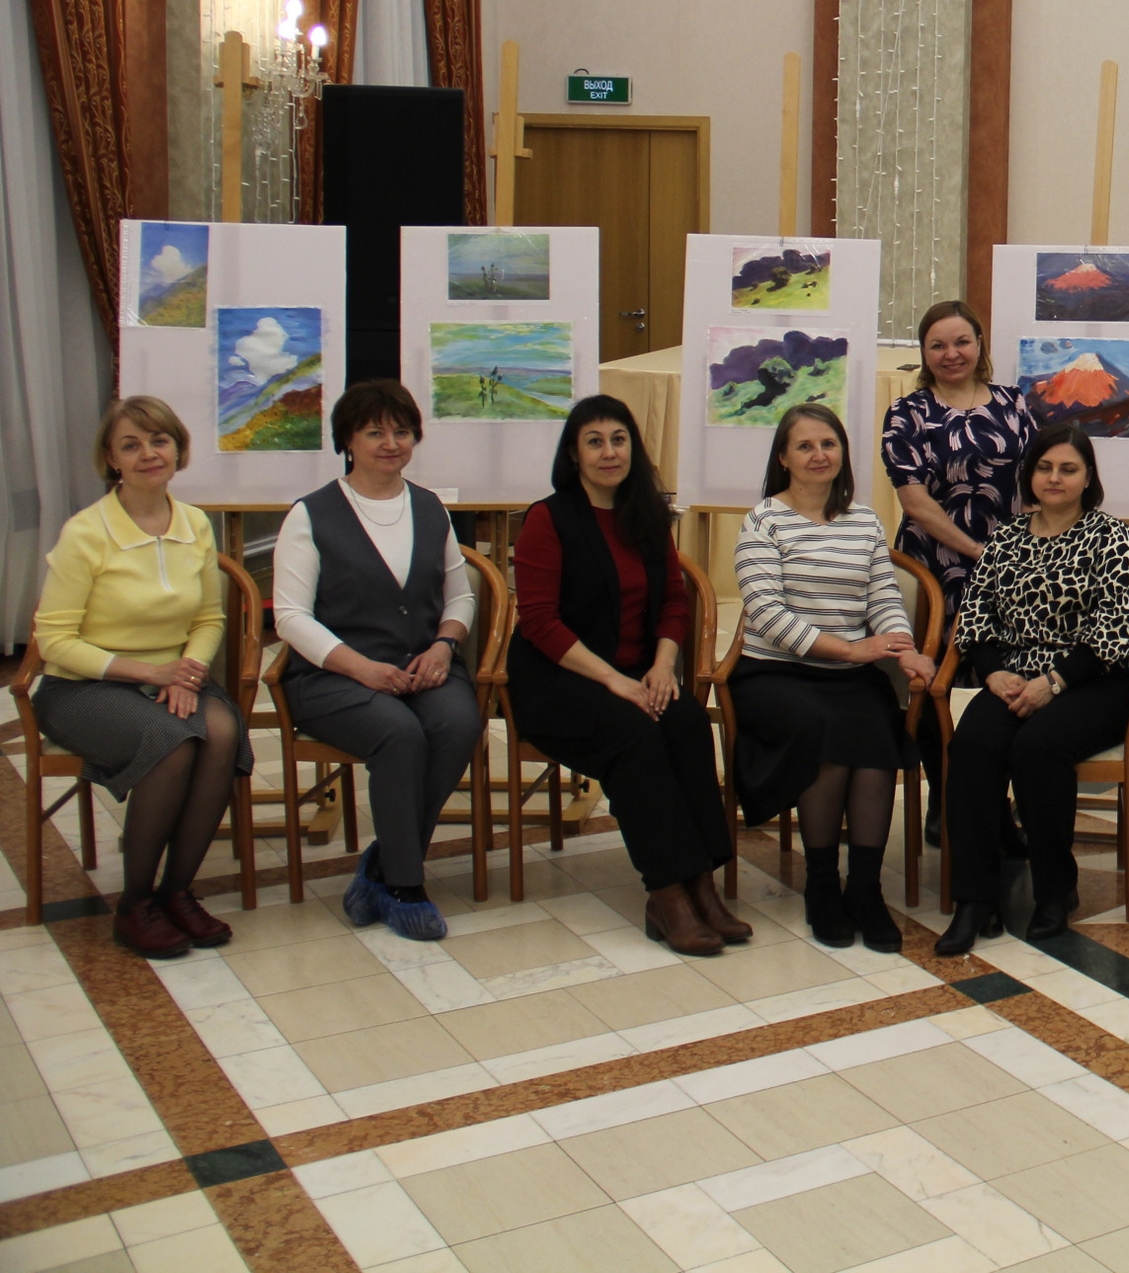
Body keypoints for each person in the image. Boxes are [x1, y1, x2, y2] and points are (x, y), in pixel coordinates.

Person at [509, 395, 745, 956]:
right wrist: (614, 681)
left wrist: (663, 666)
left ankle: (702, 884)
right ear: (574, 454)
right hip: (559, 682)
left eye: (618, 440)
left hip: (637, 674)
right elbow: (539, 621)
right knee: (635, 734)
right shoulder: (548, 518)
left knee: (686, 723)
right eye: (594, 442)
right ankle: (667, 895)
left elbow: (673, 602)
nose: (609, 452)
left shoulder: (647, 515)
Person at [31, 398, 251, 958]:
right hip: (83, 685)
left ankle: (177, 892)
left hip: (173, 674)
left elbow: (208, 619)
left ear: (178, 449)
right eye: (131, 445)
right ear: (112, 458)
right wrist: (152, 671)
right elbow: (55, 640)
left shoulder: (195, 523)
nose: (148, 454)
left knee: (223, 732)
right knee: (172, 742)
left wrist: (185, 675)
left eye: (159, 441)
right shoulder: (85, 533)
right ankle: (135, 905)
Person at [273, 381, 483, 941]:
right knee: (399, 734)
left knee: (459, 723)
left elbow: (460, 596)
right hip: (333, 676)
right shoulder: (310, 515)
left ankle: (383, 863)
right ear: (347, 440)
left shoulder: (430, 507)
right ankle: (404, 885)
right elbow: (290, 617)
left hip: (423, 665)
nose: (391, 444)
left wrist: (444, 645)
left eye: (402, 431)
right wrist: (362, 668)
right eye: (374, 432)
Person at [935, 424, 1129, 956]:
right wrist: (991, 672)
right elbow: (975, 615)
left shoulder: (1111, 537)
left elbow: (1115, 630)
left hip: (1094, 679)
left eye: (1068, 469)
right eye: (1045, 467)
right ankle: (974, 898)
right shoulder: (1007, 537)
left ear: (1088, 477)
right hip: (1014, 676)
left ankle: (1055, 889)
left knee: (1038, 747)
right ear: (1030, 474)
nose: (1055, 478)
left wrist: (1054, 682)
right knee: (973, 744)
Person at [731, 405, 938, 952]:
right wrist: (850, 649)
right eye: (805, 446)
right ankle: (822, 884)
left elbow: (883, 598)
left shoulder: (863, 522)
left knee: (876, 731)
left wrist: (905, 650)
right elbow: (766, 614)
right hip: (775, 672)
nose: (819, 455)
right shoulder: (763, 521)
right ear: (783, 457)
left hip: (849, 672)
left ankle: (865, 889)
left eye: (829, 444)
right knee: (824, 728)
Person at [881, 300, 1034, 842]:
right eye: (938, 345)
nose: (952, 354)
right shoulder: (907, 413)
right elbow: (915, 502)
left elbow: (1036, 484)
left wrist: (1022, 551)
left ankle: (995, 801)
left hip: (1009, 568)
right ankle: (944, 796)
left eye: (962, 342)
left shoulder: (1014, 403)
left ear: (979, 344)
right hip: (933, 567)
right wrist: (976, 551)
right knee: (931, 680)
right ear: (924, 353)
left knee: (1007, 675)